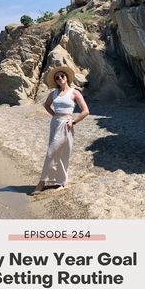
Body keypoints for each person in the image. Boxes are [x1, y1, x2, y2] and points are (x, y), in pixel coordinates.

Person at [33, 65, 89, 194]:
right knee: (54, 151)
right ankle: (60, 181)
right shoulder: (54, 93)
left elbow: (86, 111)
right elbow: (46, 105)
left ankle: (43, 182)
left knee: (57, 152)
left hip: (66, 125)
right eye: (57, 78)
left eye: (62, 76)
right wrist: (54, 115)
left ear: (67, 78)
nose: (59, 79)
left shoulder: (74, 92)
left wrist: (73, 121)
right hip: (55, 123)